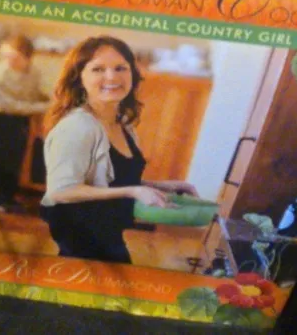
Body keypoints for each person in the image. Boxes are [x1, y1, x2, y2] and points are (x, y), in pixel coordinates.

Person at [40, 35, 197, 264]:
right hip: (81, 244)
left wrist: (160, 186)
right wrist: (132, 192)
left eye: (120, 68)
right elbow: (61, 191)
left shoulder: (122, 124)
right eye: (98, 69)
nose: (112, 77)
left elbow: (109, 179)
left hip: (107, 237)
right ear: (79, 77)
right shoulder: (77, 126)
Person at [0, 35, 49, 212]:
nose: (8, 61)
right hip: (1, 118)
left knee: (16, 159)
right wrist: (41, 107)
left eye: (14, 57)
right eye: (5, 56)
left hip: (21, 120)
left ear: (27, 57)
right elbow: (7, 104)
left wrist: (50, 101)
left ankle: (9, 198)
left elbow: (40, 93)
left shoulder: (34, 72)